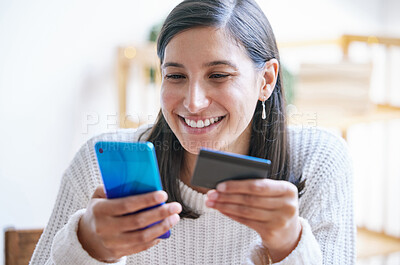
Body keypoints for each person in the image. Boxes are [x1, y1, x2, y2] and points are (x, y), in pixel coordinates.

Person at [30, 0, 355, 264]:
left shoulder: (318, 161)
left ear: (266, 80)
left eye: (218, 75)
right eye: (176, 76)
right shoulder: (99, 163)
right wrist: (87, 247)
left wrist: (289, 245)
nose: (194, 102)